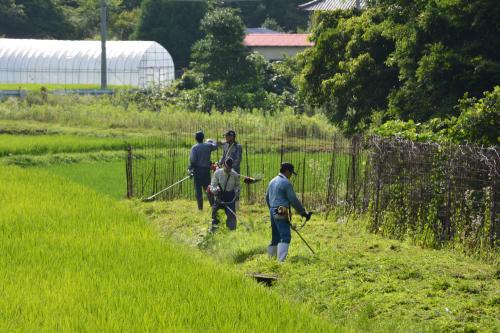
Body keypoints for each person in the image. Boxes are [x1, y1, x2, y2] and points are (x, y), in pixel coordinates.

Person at [265, 162, 312, 262]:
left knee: (275, 237)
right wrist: (303, 213)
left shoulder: (272, 181)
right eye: (291, 173)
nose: (291, 175)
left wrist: (271, 209)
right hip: (281, 210)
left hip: (272, 210)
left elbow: (266, 197)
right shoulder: (286, 183)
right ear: (286, 171)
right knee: (285, 236)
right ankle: (280, 261)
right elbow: (293, 200)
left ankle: (271, 260)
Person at [209, 158, 240, 232]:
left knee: (231, 215)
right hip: (220, 195)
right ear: (223, 165)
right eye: (227, 167)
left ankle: (231, 231)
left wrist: (237, 192)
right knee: (216, 214)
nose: (228, 170)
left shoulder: (234, 175)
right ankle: (214, 229)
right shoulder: (217, 173)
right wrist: (215, 190)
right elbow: (212, 185)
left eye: (230, 168)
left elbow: (237, 186)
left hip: (230, 196)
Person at [189, 131, 217, 210]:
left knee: (198, 190)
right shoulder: (208, 146)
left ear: (196, 138)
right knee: (208, 189)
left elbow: (193, 160)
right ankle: (213, 205)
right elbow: (215, 146)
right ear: (203, 138)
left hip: (198, 171)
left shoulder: (194, 148)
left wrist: (190, 169)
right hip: (206, 170)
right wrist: (211, 141)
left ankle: (200, 208)